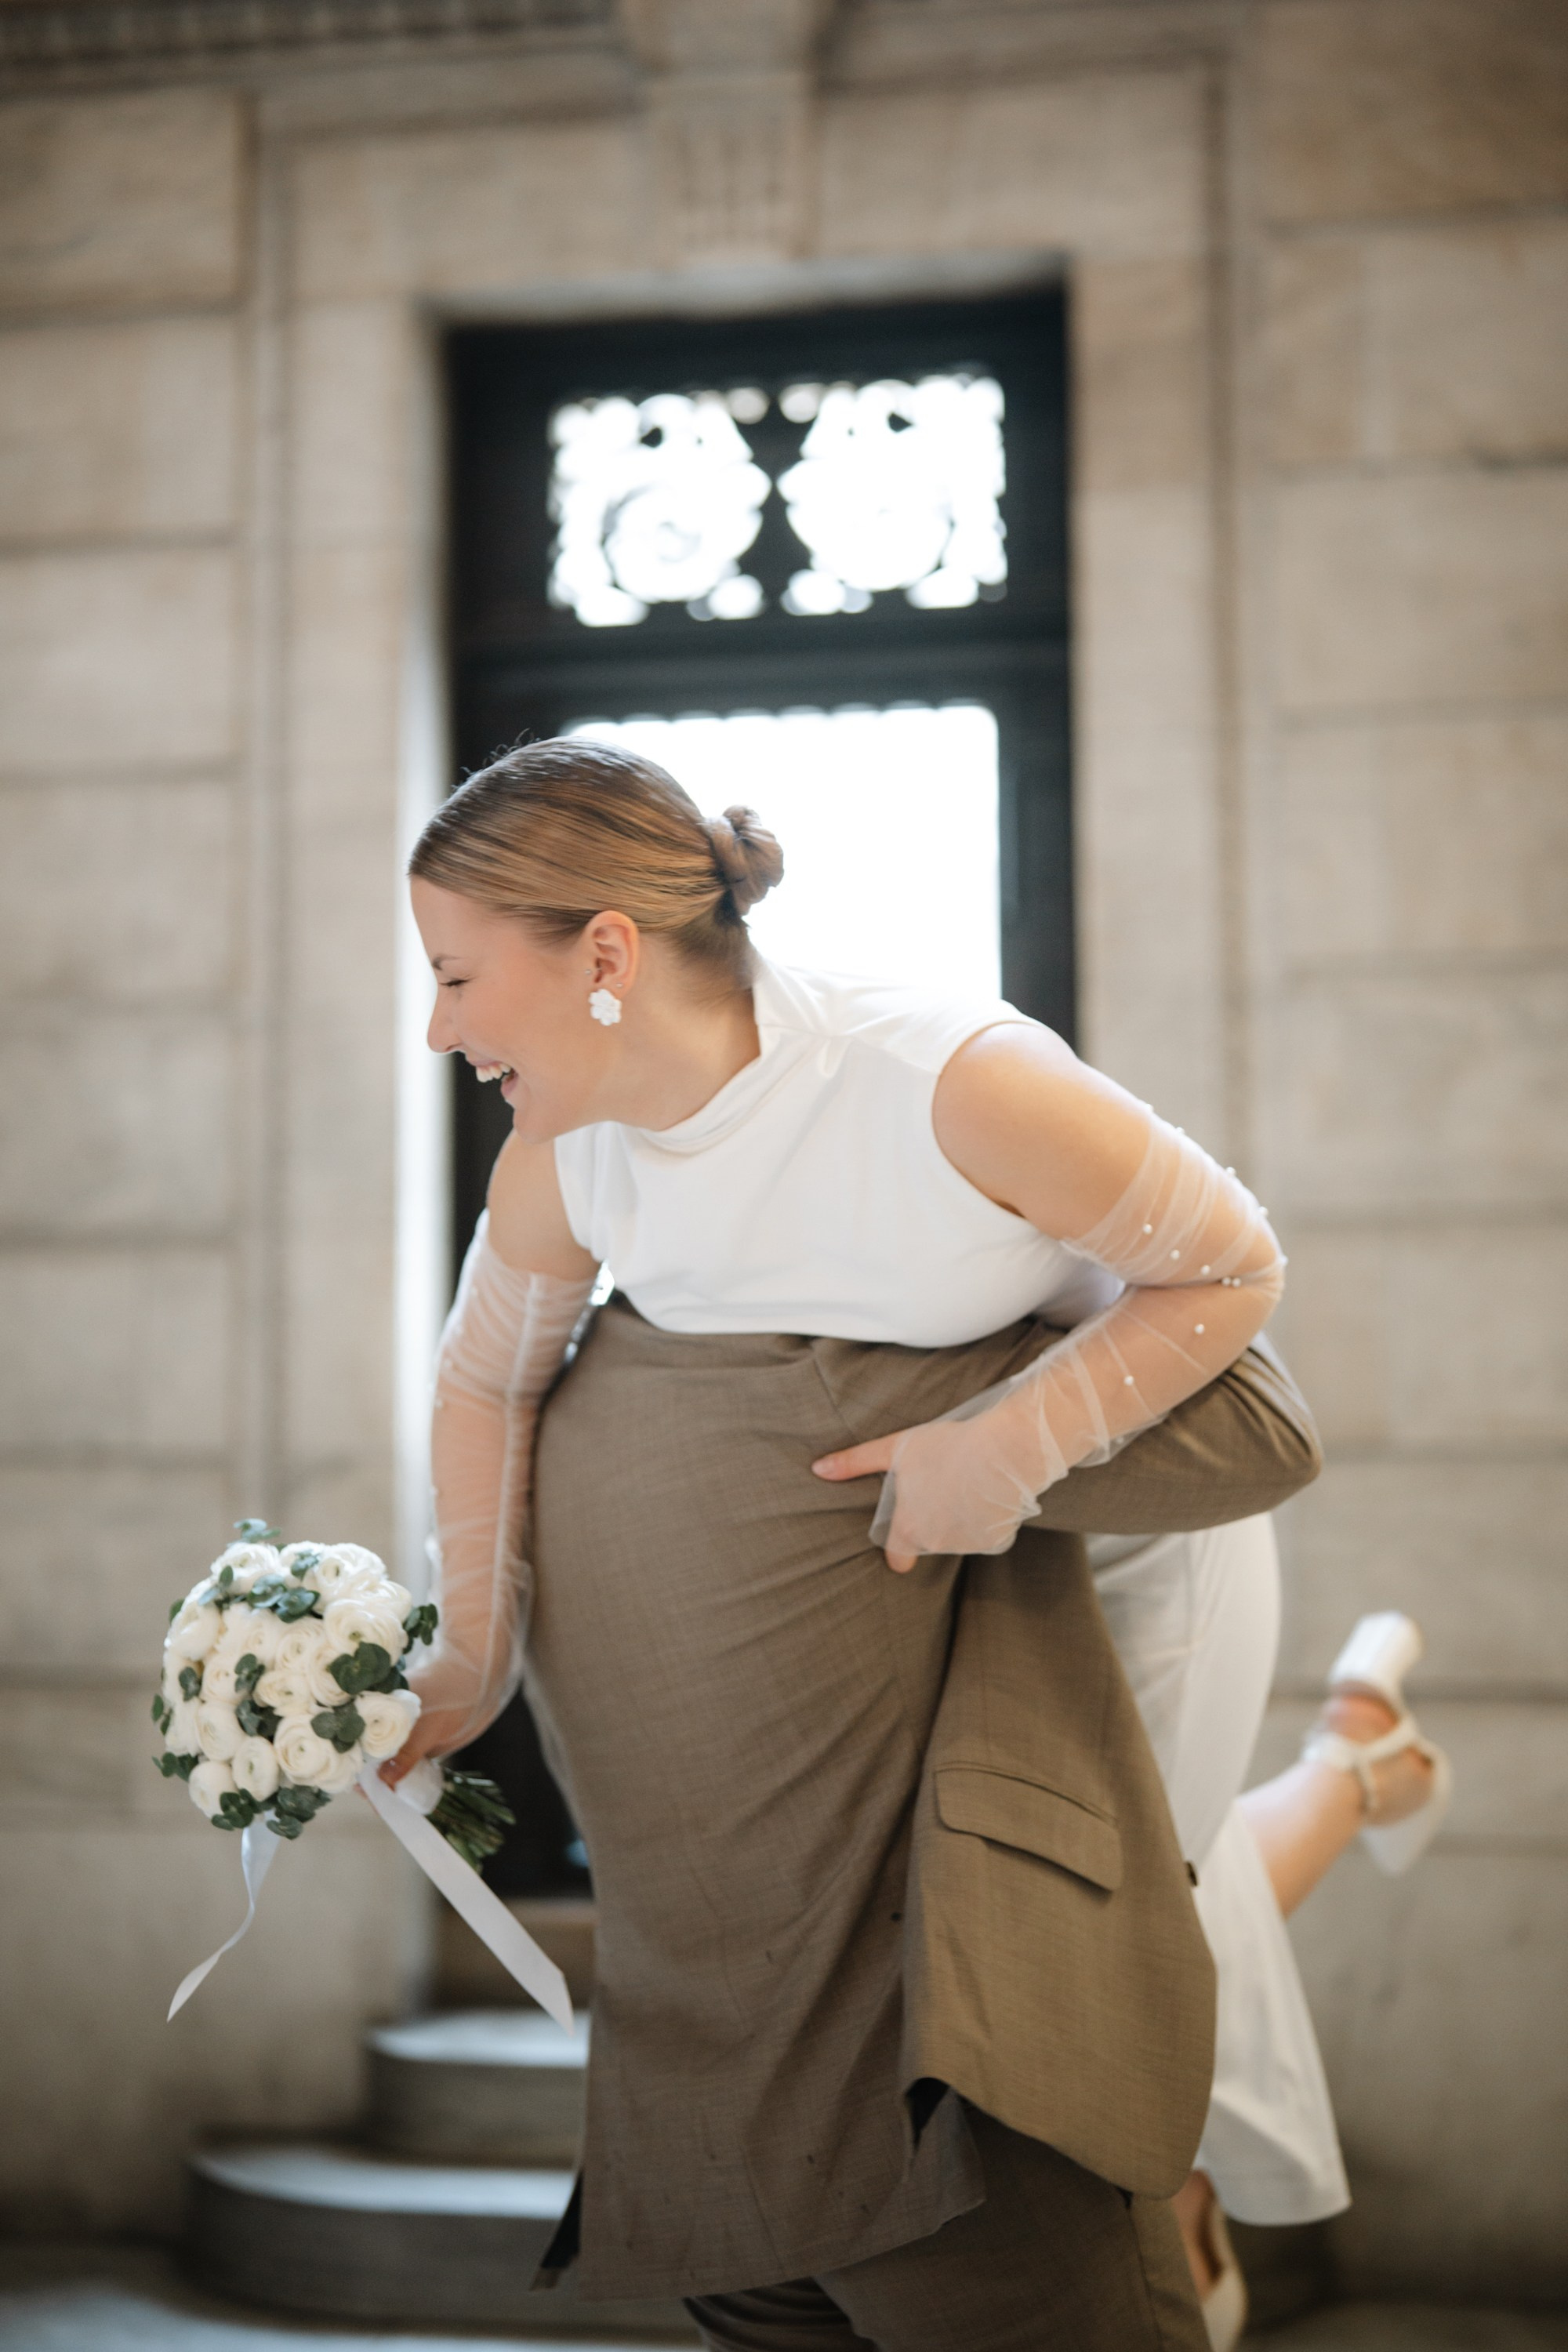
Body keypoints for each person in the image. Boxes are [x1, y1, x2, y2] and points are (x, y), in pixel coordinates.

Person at [389, 740, 1444, 2352]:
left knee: (1084, 1940)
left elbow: (1234, 1272)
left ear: (604, 953)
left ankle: (1341, 1794)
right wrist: (473, 1647)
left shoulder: (940, 1077)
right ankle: (1362, 1762)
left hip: (1107, 1542)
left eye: (457, 978)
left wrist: (999, 1448)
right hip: (892, 1570)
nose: (439, 1030)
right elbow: (485, 1377)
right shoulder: (571, 1146)